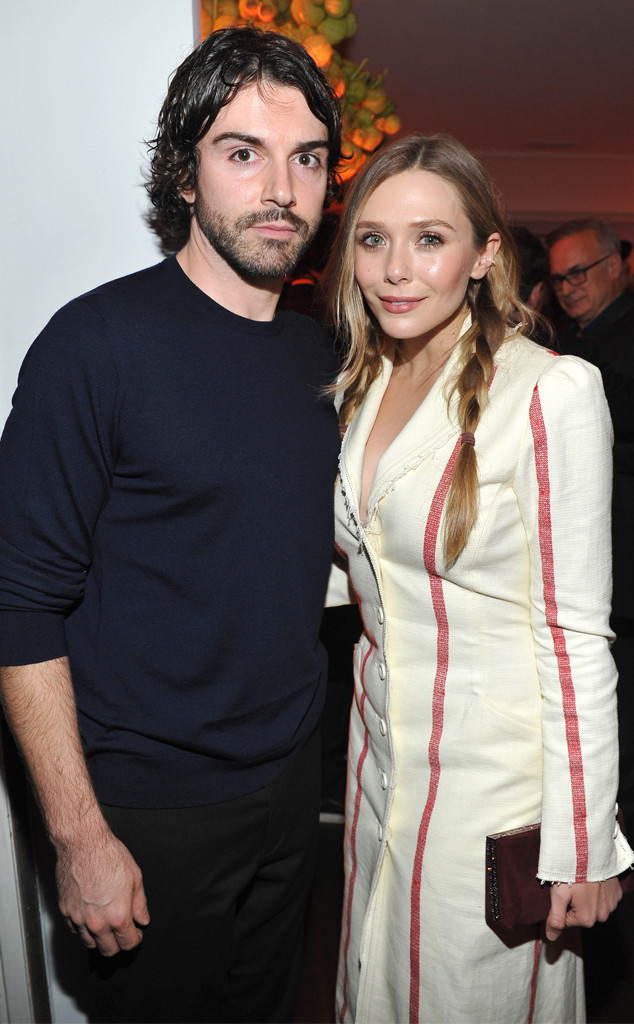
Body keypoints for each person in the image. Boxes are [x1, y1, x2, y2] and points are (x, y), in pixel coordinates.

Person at [0, 27, 342, 1024]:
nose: (281, 186)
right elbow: (18, 605)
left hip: (287, 788)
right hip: (148, 812)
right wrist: (76, 834)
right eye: (243, 153)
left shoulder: (318, 359)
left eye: (306, 158)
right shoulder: (94, 345)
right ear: (185, 176)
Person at [323, 134, 632, 1023]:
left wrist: (583, 845)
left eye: (430, 238)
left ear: (484, 255)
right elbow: (369, 568)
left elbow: (575, 633)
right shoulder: (367, 379)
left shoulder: (551, 391)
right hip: (378, 769)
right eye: (373, 239)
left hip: (494, 802)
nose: (396, 269)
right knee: (370, 987)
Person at [547, 220, 634, 835]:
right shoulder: (584, 339)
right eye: (557, 278)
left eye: (577, 272)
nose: (566, 287)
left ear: (615, 265)